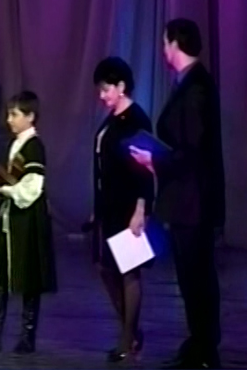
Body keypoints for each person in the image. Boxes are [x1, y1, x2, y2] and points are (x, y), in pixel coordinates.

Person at [130, 18, 225, 369]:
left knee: (197, 276)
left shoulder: (196, 87)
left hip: (193, 200)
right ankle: (198, 342)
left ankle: (205, 347)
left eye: (164, 42)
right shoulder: (188, 83)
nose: (163, 49)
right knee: (189, 275)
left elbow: (193, 150)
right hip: (185, 198)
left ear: (174, 43)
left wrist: (155, 160)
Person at [0, 91, 57, 354]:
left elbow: (31, 188)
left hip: (27, 219)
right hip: (11, 216)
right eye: (9, 114)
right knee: (0, 274)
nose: (9, 119)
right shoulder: (17, 144)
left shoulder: (34, 146)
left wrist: (3, 189)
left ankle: (27, 337)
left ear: (30, 117)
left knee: (28, 276)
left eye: (15, 114)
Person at [90, 57, 155, 362]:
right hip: (109, 205)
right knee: (106, 268)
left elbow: (144, 169)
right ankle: (131, 330)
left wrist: (141, 208)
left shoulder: (135, 119)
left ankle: (128, 338)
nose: (102, 95)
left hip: (128, 205)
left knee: (129, 271)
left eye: (106, 89)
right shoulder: (112, 119)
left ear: (121, 86)